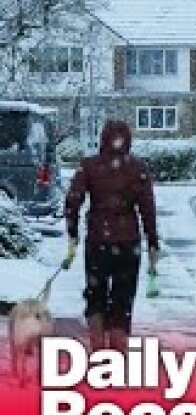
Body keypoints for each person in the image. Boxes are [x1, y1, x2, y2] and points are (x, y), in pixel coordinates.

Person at [64, 119, 160, 352]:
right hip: (128, 243)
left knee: (95, 294)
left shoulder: (89, 166)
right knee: (122, 297)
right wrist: (153, 241)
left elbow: (73, 200)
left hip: (98, 242)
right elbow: (147, 208)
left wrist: (73, 233)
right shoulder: (137, 168)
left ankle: (97, 347)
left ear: (102, 138)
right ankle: (118, 350)